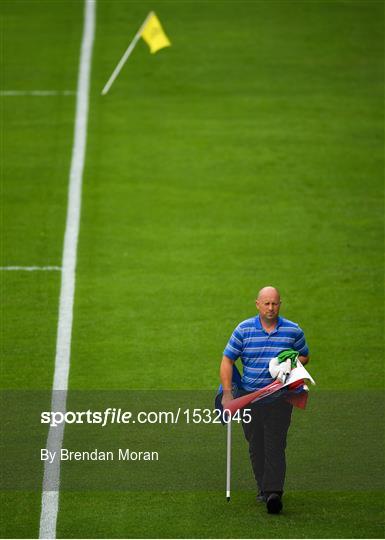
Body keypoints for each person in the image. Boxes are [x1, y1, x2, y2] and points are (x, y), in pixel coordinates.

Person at [220, 286, 309, 514]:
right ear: (257, 304)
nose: (271, 308)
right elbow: (227, 360)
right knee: (256, 444)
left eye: (275, 303)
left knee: (275, 444)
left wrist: (291, 361)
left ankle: (273, 493)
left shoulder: (292, 330)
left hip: (279, 398)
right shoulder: (243, 330)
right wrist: (228, 393)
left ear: (280, 304)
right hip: (249, 399)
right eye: (266, 303)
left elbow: (305, 354)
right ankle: (263, 488)